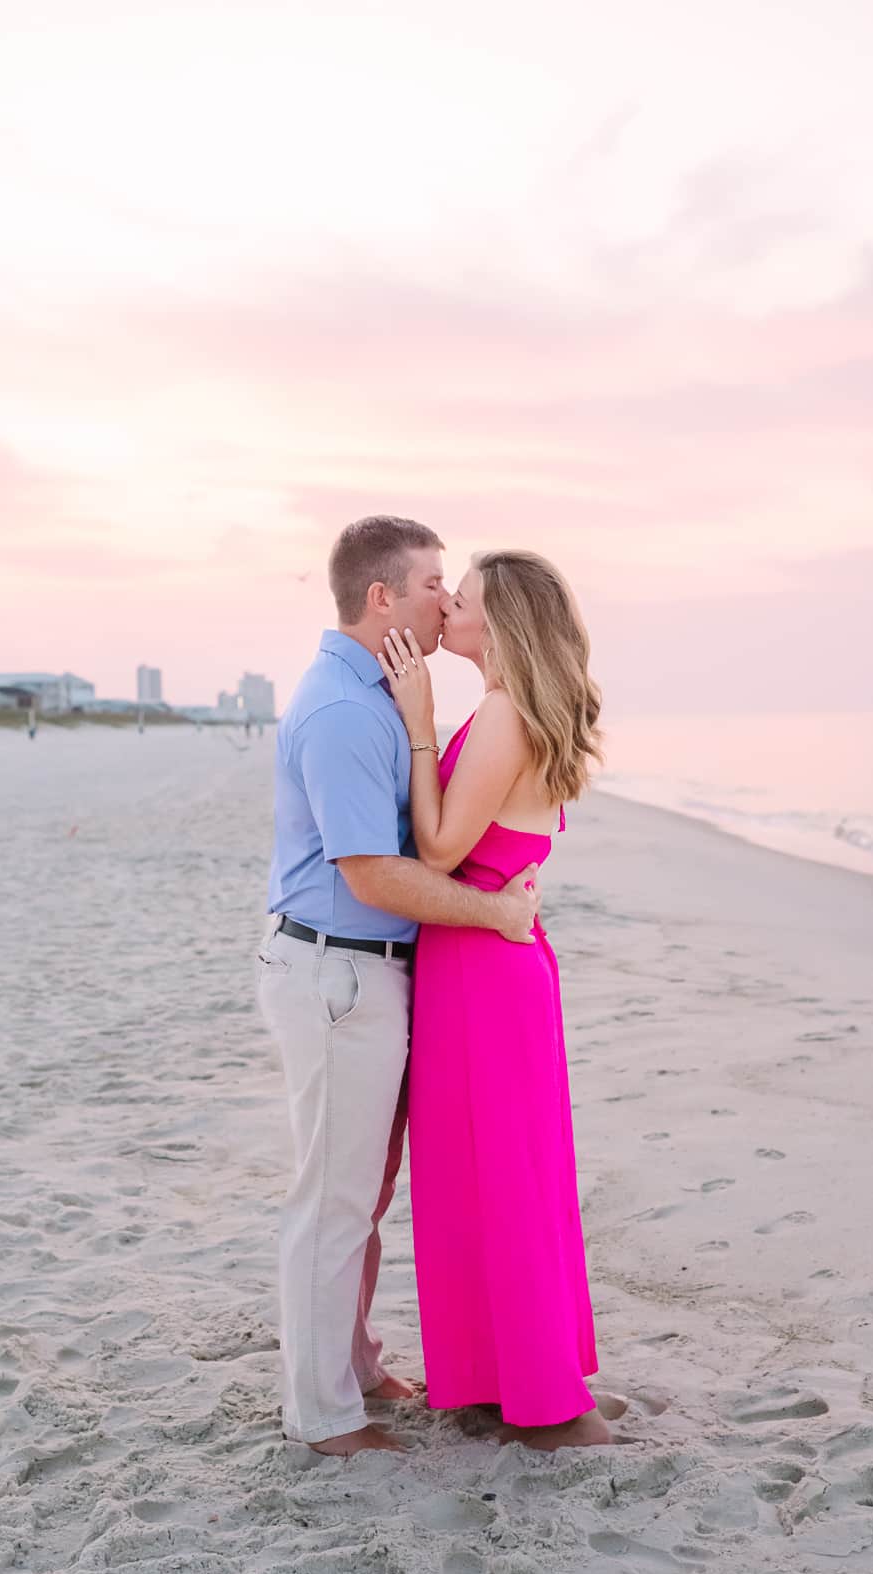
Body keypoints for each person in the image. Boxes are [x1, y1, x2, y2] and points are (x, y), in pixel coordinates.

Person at [258, 517, 542, 1458]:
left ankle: (358, 1363)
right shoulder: (344, 712)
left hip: (368, 972)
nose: (444, 600)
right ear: (381, 597)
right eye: (430, 584)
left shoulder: (376, 693)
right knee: (333, 1201)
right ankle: (323, 1415)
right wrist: (495, 914)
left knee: (360, 1195)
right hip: (338, 969)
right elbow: (377, 873)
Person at [377, 549, 609, 1451]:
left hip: (484, 970)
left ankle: (546, 1399)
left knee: (505, 1176)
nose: (448, 613)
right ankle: (495, 1376)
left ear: (500, 626)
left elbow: (436, 851)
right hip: (477, 960)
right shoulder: (506, 711)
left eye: (462, 602)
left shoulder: (506, 716)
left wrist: (419, 725)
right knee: (478, 1174)